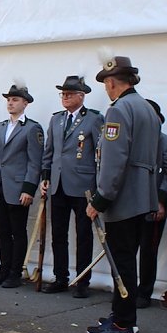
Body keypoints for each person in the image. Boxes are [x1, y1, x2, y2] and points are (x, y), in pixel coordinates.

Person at [85, 56, 160, 333]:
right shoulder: (146, 108)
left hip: (124, 196)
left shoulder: (119, 110)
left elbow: (114, 160)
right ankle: (121, 314)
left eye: (106, 83)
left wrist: (101, 198)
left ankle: (123, 324)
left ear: (112, 82)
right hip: (142, 194)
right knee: (127, 258)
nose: (106, 88)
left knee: (122, 261)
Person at [39, 76, 104, 298]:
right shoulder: (56, 120)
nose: (65, 97)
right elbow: (49, 151)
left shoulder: (93, 119)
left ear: (81, 96)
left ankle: (83, 280)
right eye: (63, 94)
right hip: (58, 184)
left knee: (83, 235)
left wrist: (97, 186)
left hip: (83, 185)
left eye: (69, 94)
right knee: (58, 234)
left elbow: (100, 154)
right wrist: (45, 176)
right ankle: (60, 277)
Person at [0, 83, 44, 288]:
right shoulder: (0, 127)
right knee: (2, 231)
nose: (10, 102)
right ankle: (3, 269)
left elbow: (35, 162)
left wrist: (28, 188)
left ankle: (15, 273)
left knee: (18, 231)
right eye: (8, 99)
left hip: (18, 188)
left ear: (25, 103)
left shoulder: (32, 128)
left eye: (15, 99)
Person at [136, 100, 167, 309]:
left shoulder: (166, 142)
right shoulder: (132, 141)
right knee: (127, 249)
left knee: (148, 250)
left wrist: (161, 201)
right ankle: (126, 290)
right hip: (132, 205)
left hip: (153, 206)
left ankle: (144, 292)